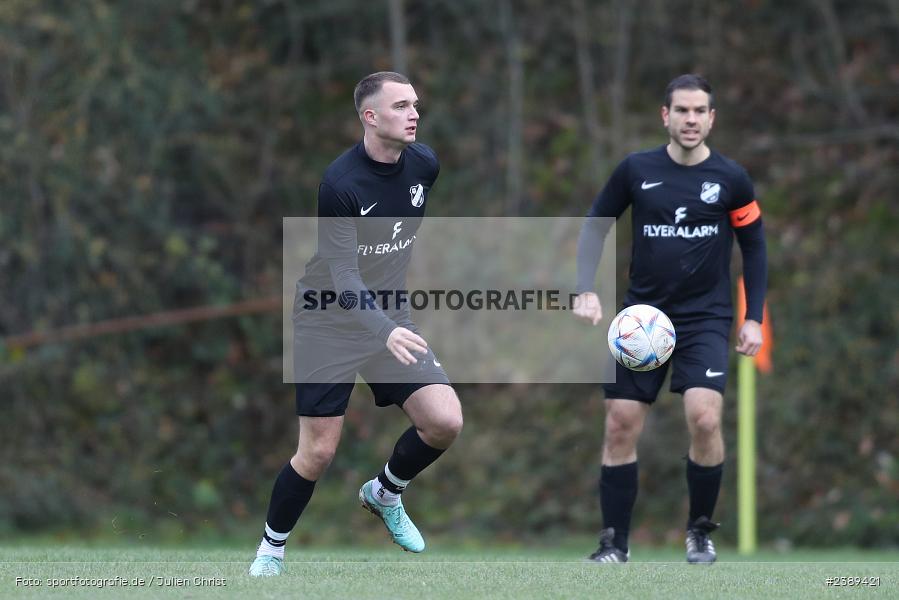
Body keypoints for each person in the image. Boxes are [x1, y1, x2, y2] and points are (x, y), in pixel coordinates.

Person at [249, 72, 463, 577]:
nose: (415, 114)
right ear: (370, 117)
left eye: (416, 104)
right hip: (328, 322)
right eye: (401, 105)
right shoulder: (340, 184)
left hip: (388, 317)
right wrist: (384, 329)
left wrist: (392, 321)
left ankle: (385, 493)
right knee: (318, 451)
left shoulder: (425, 164)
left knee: (444, 421)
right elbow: (343, 274)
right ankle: (270, 552)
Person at [573, 74, 767, 564]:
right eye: (682, 110)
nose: (691, 119)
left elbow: (755, 246)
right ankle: (614, 543)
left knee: (704, 417)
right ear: (665, 115)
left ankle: (700, 531)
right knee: (619, 423)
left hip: (705, 317)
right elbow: (596, 225)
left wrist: (754, 317)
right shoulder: (636, 169)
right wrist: (584, 290)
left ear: (712, 118)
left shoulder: (731, 178)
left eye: (700, 111)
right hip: (643, 320)